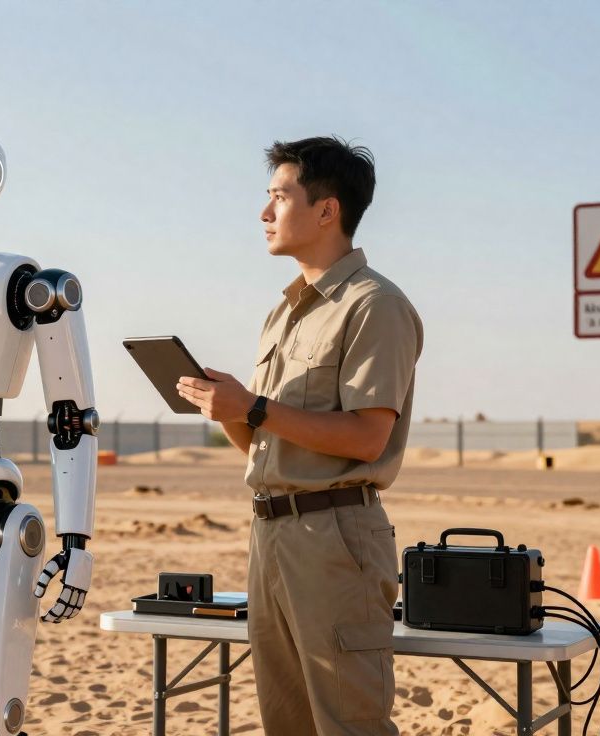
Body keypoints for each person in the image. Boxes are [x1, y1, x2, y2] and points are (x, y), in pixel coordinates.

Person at [176, 136, 422, 735]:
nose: (264, 214)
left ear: (326, 210)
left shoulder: (374, 305)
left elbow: (367, 438)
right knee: (286, 724)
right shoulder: (282, 313)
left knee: (349, 724)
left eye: (278, 198)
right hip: (270, 533)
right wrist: (230, 409)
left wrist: (255, 406)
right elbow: (269, 446)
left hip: (335, 541)